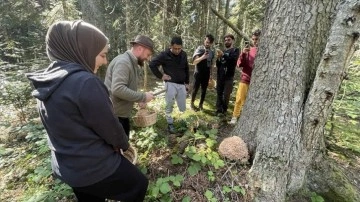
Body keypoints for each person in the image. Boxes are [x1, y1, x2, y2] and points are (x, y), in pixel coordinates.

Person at [26, 20, 148, 202]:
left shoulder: (47, 80)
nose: (105, 61)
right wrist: (124, 145)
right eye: (102, 55)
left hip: (68, 167)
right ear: (83, 50)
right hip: (93, 166)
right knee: (138, 184)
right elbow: (110, 128)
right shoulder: (85, 82)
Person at [105, 35, 155, 137]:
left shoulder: (131, 63)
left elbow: (126, 89)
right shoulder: (124, 62)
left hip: (120, 116)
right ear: (140, 48)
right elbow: (118, 89)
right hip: (114, 117)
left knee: (122, 148)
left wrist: (139, 100)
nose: (148, 58)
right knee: (118, 150)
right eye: (148, 54)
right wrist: (143, 96)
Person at [149, 36, 190, 134]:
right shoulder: (164, 55)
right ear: (170, 46)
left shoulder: (184, 54)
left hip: (181, 85)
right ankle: (170, 124)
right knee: (169, 105)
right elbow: (152, 64)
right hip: (170, 84)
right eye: (175, 48)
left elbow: (186, 68)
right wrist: (161, 75)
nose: (177, 51)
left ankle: (183, 122)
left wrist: (187, 82)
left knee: (182, 105)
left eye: (179, 48)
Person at [230, 29, 261, 124]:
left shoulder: (264, 51)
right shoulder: (248, 50)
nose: (255, 41)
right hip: (245, 79)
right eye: (253, 39)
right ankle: (235, 117)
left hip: (257, 81)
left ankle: (248, 119)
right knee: (239, 99)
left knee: (253, 102)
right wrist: (243, 53)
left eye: (257, 39)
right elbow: (239, 64)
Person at [215, 34, 240, 116]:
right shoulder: (223, 51)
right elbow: (219, 65)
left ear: (233, 40)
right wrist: (218, 58)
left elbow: (233, 61)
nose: (226, 41)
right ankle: (218, 110)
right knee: (219, 93)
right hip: (220, 76)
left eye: (228, 40)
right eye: (225, 40)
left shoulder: (235, 50)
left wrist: (223, 55)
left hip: (229, 76)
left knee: (226, 94)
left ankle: (224, 110)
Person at [190, 34, 215, 111]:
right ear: (204, 40)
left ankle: (201, 105)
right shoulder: (199, 49)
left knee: (204, 90)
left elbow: (210, 64)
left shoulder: (212, 52)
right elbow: (194, 62)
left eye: (209, 43)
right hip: (198, 72)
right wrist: (202, 57)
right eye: (206, 42)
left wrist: (211, 74)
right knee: (195, 89)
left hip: (206, 73)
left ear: (211, 43)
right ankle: (192, 104)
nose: (207, 44)